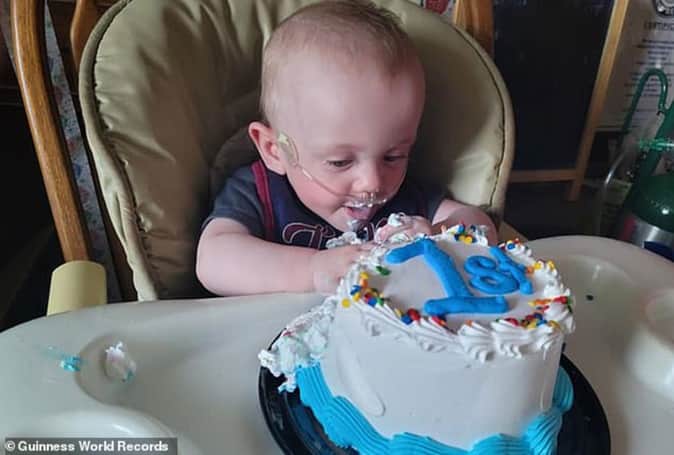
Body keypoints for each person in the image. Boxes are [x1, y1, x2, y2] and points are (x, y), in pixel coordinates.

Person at [196, 0, 497, 296]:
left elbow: (480, 224)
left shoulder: (405, 199)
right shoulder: (257, 193)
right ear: (274, 150)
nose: (373, 182)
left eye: (393, 156)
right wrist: (312, 270)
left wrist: (438, 236)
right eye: (340, 162)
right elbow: (213, 260)